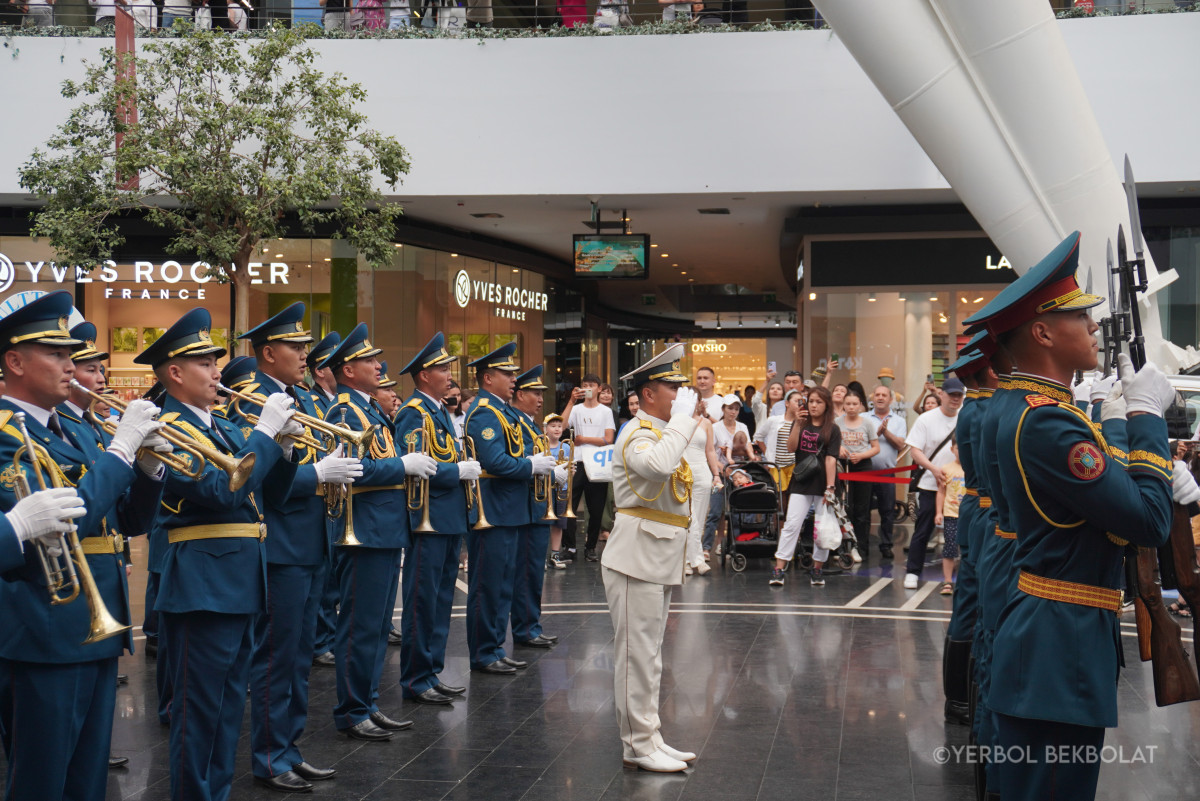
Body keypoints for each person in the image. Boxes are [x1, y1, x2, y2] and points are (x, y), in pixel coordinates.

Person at [968, 231, 1175, 801]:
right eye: (1080, 318)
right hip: (1059, 644)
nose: (1092, 327)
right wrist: (1145, 416)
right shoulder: (1046, 421)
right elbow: (1149, 521)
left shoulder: (1031, 407)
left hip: (1048, 632)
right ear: (1042, 333)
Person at [135, 307, 299, 801]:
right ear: (176, 373)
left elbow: (269, 494)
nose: (217, 372)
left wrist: (285, 450)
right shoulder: (171, 427)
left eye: (215, 361)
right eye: (205, 364)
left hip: (239, 580)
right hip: (203, 586)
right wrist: (266, 435)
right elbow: (221, 491)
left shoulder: (221, 427)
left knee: (228, 711)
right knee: (200, 714)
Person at [0, 305, 164, 795]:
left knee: (87, 779)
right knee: (43, 780)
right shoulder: (8, 433)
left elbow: (129, 520)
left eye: (72, 355)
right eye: (55, 354)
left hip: (95, 624)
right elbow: (70, 522)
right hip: (45, 629)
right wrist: (121, 451)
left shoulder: (73, 429)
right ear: (15, 362)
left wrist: (151, 468)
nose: (71, 366)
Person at [229, 304, 363, 793]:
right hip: (280, 542)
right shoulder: (249, 400)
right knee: (276, 657)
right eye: (296, 346)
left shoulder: (299, 397)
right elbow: (251, 475)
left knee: (300, 654)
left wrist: (328, 469)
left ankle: (289, 746)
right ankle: (269, 754)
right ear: (268, 352)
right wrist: (314, 475)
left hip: (310, 540)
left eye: (305, 346)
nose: (306, 354)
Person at [324, 323, 436, 741]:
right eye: (369, 360)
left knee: (374, 625)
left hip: (384, 530)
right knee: (359, 625)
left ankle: (367, 702)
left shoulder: (369, 409)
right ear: (348, 370)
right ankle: (353, 710)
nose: (378, 365)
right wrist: (401, 466)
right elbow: (351, 471)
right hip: (365, 532)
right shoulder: (344, 411)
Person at [601, 343, 700, 773]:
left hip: (653, 554)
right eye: (670, 387)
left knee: (650, 654)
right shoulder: (636, 433)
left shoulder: (658, 433)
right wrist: (681, 424)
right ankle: (638, 743)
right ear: (646, 394)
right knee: (636, 657)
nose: (678, 395)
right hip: (635, 556)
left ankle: (648, 736)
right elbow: (659, 468)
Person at [394, 332, 480, 705]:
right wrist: (455, 472)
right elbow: (417, 466)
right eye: (442, 369)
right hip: (427, 520)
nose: (449, 374)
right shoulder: (414, 411)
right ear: (424, 375)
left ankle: (431, 670)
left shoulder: (439, 411)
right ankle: (416, 678)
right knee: (422, 601)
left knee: (442, 600)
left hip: (447, 518)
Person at [463, 343, 555, 675]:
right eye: (507, 373)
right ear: (488, 377)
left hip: (509, 510)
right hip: (495, 510)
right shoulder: (485, 413)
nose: (514, 379)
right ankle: (485, 651)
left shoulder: (500, 411)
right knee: (489, 586)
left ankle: (494, 648)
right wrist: (531, 465)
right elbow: (495, 461)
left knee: (502, 584)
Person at [507, 365, 561, 649]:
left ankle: (530, 625)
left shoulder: (528, 422)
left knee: (532, 570)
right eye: (534, 393)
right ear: (518, 394)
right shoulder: (513, 420)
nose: (540, 399)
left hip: (536, 505)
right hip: (524, 505)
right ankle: (525, 627)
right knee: (524, 570)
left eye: (542, 394)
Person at [772, 386, 840, 587]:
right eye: (811, 401)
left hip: (823, 483)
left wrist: (830, 487)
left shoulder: (833, 429)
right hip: (801, 482)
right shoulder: (800, 423)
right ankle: (779, 568)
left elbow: (830, 459)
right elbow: (791, 448)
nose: (814, 405)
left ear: (826, 404)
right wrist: (797, 425)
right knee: (792, 524)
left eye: (819, 402)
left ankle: (817, 569)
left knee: (822, 528)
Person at [902, 378, 964, 590]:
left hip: (962, 486)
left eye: (959, 395)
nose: (956, 399)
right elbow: (915, 451)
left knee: (966, 532)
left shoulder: (966, 415)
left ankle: (967, 575)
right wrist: (934, 469)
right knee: (923, 528)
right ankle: (912, 571)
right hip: (931, 484)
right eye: (952, 395)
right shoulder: (926, 419)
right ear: (942, 395)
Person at [307, 331, 343, 669]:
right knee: (321, 578)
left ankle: (327, 637)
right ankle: (320, 641)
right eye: (335, 364)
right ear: (320, 371)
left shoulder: (335, 403)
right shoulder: (313, 403)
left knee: (331, 579)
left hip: (335, 499)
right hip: (316, 493)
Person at [563, 373, 615, 562]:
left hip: (598, 462)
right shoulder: (576, 410)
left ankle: (590, 546)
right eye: (585, 385)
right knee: (570, 505)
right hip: (577, 461)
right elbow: (561, 426)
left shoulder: (605, 411)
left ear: (599, 388)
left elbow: (608, 439)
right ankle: (569, 546)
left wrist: (583, 439)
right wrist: (570, 401)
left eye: (592, 385)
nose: (588, 388)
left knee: (596, 508)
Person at [836, 389, 878, 561]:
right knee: (845, 508)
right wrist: (839, 448)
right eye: (848, 404)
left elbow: (876, 448)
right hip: (843, 467)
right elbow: (831, 444)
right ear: (843, 405)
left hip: (863, 467)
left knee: (862, 509)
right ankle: (844, 546)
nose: (851, 407)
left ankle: (860, 547)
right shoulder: (837, 422)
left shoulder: (867, 423)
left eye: (855, 404)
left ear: (861, 406)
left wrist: (861, 455)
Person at [867, 384, 906, 559]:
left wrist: (885, 432)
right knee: (862, 511)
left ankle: (886, 545)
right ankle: (862, 545)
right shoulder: (863, 418)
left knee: (887, 511)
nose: (880, 397)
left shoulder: (899, 421)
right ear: (872, 398)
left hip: (886, 472)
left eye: (884, 395)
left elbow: (900, 445)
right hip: (864, 472)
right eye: (877, 395)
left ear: (890, 399)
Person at [683, 410, 721, 576]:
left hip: (702, 471)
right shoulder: (676, 419)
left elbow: (710, 450)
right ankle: (693, 560)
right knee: (688, 516)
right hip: (682, 470)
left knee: (698, 517)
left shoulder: (706, 423)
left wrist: (716, 475)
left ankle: (689, 560)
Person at [755, 389, 803, 491]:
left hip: (794, 463)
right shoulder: (774, 420)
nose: (799, 404)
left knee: (794, 492)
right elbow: (758, 437)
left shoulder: (802, 423)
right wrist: (767, 454)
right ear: (787, 403)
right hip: (776, 464)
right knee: (780, 493)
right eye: (796, 401)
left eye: (801, 401)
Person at [934, 436, 963, 595]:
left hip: (969, 516)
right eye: (957, 448)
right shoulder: (946, 469)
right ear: (952, 450)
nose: (961, 451)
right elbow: (941, 492)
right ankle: (947, 581)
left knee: (969, 550)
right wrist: (939, 512)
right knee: (950, 547)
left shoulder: (975, 469)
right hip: (951, 515)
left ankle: (965, 581)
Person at [543, 413, 572, 569]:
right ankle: (540, 555)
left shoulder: (566, 447)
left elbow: (570, 467)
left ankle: (555, 553)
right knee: (543, 523)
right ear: (545, 429)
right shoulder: (541, 445)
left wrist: (570, 472)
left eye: (559, 426)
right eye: (553, 426)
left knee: (559, 524)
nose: (557, 429)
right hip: (545, 489)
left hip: (561, 489)